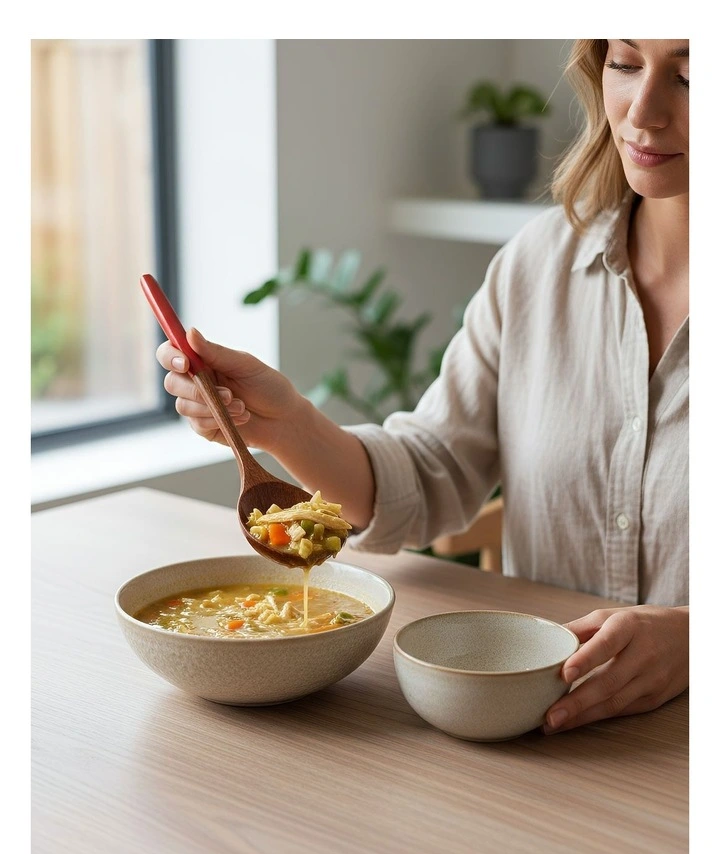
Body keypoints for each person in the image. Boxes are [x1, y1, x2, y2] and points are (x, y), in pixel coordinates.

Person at [157, 39, 689, 734]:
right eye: (624, 63)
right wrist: (282, 425)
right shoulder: (537, 265)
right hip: (534, 728)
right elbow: (431, 473)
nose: (642, 112)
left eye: (690, 76)